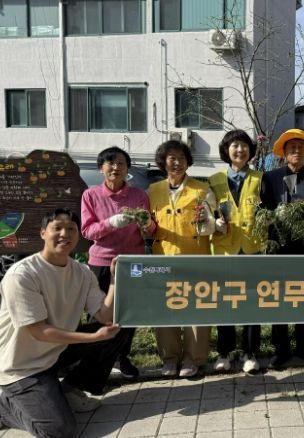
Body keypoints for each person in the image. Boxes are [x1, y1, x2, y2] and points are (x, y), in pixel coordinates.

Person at [0, 209, 129, 437]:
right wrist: (92, 337)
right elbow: (39, 331)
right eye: (57, 228)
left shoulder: (82, 272)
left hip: (56, 351)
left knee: (118, 330)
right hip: (22, 367)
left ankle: (70, 389)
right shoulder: (22, 275)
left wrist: (114, 280)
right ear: (42, 233)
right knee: (60, 430)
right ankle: (4, 408)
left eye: (71, 229)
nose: (64, 234)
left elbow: (104, 316)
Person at [81, 146, 156, 379]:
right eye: (110, 163)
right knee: (98, 311)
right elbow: (87, 231)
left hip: (132, 262)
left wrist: (147, 225)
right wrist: (111, 223)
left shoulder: (139, 196)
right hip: (101, 261)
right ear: (101, 168)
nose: (116, 168)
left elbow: (150, 230)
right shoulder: (91, 195)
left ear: (127, 169)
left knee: (130, 312)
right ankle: (94, 360)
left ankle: (122, 356)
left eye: (121, 163)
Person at [260, 129, 304, 369]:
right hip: (280, 247)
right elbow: (263, 210)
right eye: (292, 147)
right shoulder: (270, 177)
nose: (297, 151)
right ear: (284, 152)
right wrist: (275, 214)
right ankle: (280, 350)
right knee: (280, 298)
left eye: (301, 147)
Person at [148, 140, 216, 378]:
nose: (177, 163)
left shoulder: (202, 189)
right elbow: (148, 225)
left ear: (188, 162)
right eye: (172, 158)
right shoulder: (153, 190)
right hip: (163, 257)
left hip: (196, 257)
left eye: (181, 158)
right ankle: (169, 358)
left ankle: (193, 358)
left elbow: (211, 225)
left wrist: (207, 222)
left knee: (196, 309)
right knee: (166, 308)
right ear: (163, 162)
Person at [208, 130, 262, 374]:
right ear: (226, 150)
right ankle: (224, 352)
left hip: (252, 248)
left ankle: (250, 352)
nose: (240, 150)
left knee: (253, 301)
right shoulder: (214, 180)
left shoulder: (260, 179)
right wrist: (214, 223)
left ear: (250, 150)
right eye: (235, 145)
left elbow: (268, 210)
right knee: (225, 302)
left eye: (244, 145)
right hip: (224, 250)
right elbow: (205, 214)